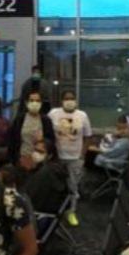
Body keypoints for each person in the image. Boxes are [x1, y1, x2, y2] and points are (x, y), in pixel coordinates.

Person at [47, 89, 92, 223]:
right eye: (66, 98)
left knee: (73, 187)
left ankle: (71, 211)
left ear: (76, 101)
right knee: (55, 185)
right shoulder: (53, 114)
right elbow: (47, 132)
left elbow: (88, 136)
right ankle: (54, 212)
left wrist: (82, 156)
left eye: (72, 98)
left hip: (75, 158)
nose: (69, 101)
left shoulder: (82, 115)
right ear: (62, 101)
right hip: (57, 157)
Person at [7, 88, 54, 171]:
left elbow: (52, 141)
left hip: (40, 161)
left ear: (41, 103)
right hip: (22, 159)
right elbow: (12, 140)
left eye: (37, 100)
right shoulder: (19, 119)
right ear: (26, 102)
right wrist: (13, 160)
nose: (34, 103)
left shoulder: (46, 120)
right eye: (31, 100)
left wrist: (43, 140)